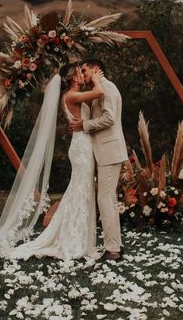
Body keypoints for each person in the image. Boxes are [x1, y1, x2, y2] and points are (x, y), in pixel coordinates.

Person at [0, 63, 104, 260]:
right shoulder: (71, 95)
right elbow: (99, 92)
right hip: (81, 149)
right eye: (80, 71)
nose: (83, 73)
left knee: (81, 189)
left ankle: (76, 235)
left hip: (83, 146)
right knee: (81, 189)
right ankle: (72, 239)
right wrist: (97, 80)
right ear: (73, 77)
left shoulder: (73, 95)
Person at [70, 59, 128, 262]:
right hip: (106, 151)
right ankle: (115, 247)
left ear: (95, 69)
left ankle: (112, 250)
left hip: (110, 151)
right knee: (108, 199)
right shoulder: (99, 89)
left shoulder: (108, 87)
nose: (82, 74)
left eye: (85, 70)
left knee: (104, 199)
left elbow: (110, 118)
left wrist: (84, 125)